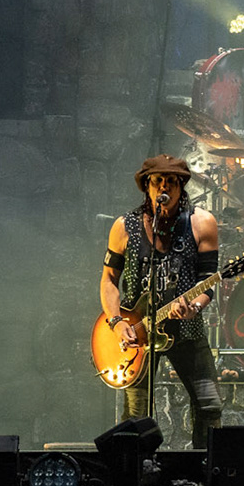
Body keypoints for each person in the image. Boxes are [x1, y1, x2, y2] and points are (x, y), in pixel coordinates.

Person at [99, 155, 222, 447]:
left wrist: (194, 306)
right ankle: (135, 470)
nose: (164, 187)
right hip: (137, 334)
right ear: (147, 186)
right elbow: (108, 281)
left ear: (181, 186)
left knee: (210, 406)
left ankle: (206, 469)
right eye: (157, 181)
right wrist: (116, 322)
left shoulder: (202, 223)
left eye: (171, 181)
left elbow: (208, 282)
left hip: (186, 331)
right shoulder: (124, 226)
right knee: (136, 416)